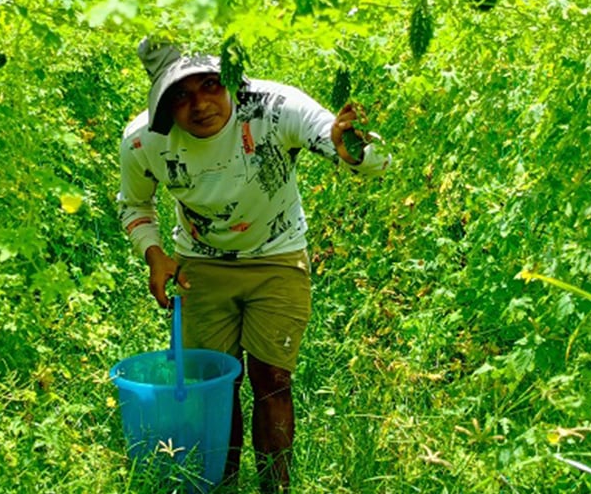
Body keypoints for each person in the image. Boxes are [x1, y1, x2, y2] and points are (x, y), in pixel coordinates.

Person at [117, 37, 390, 492]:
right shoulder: (144, 141)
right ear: (163, 103)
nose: (200, 104)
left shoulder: (274, 108)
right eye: (181, 95)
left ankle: (274, 488)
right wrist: (155, 255)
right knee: (213, 385)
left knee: (273, 378)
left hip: (278, 255)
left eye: (210, 86)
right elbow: (134, 206)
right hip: (200, 263)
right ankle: (222, 486)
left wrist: (352, 150)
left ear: (230, 82)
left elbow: (338, 140)